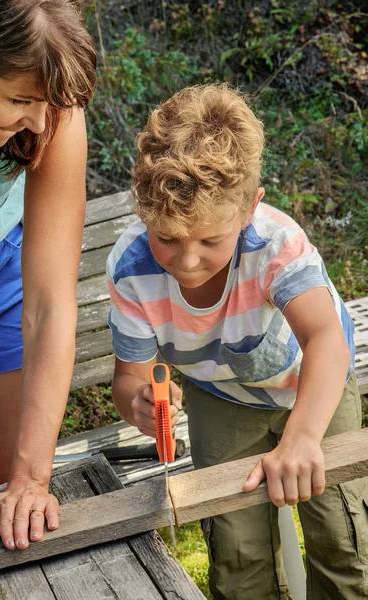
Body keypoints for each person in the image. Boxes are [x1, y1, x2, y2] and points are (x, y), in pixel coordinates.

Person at [106, 83, 368, 600]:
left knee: (341, 536)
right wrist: (137, 402)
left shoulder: (275, 246)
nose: (187, 260)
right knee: (236, 549)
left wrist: (302, 436)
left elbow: (327, 341)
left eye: (210, 240)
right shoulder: (131, 270)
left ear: (250, 208)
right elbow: (129, 378)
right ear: (143, 214)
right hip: (220, 395)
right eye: (167, 238)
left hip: (313, 389)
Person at [0, 0, 96, 551]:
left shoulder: (55, 114)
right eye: (20, 100)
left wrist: (32, 480)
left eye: (47, 104)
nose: (39, 123)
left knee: (11, 509)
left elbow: (49, 304)